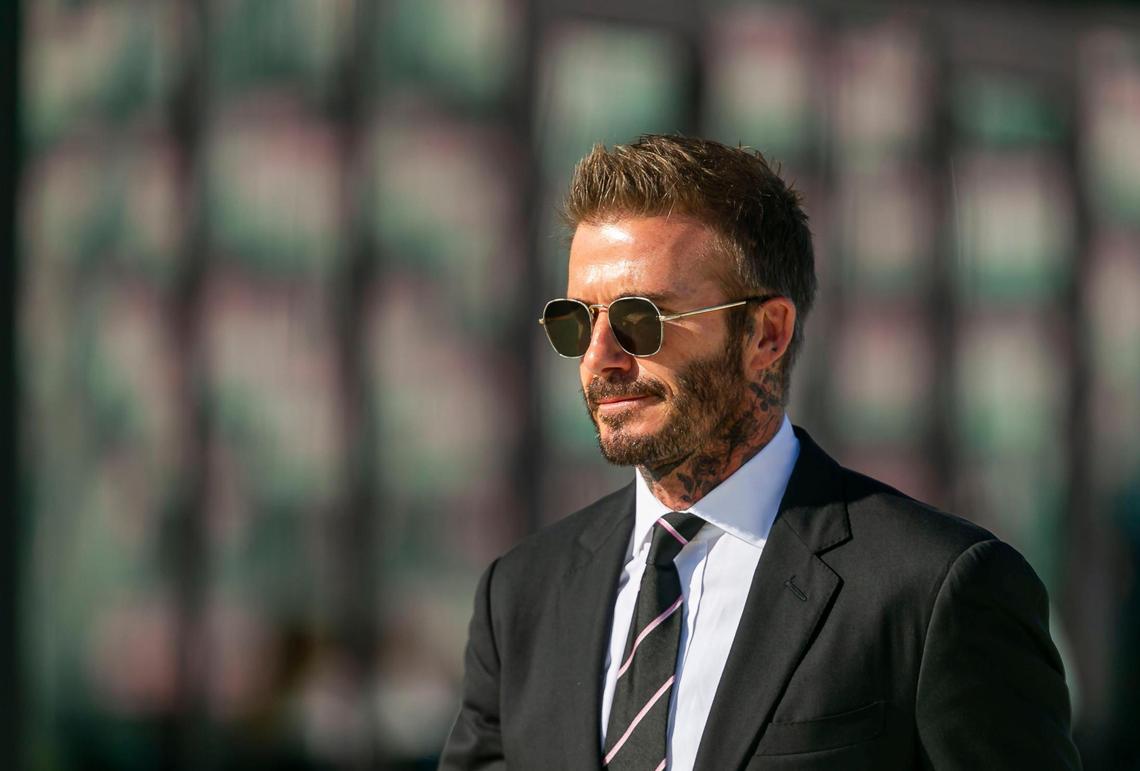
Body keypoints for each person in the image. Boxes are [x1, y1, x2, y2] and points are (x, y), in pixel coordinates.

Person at [438, 135, 1080, 770]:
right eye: (576, 322)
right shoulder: (520, 597)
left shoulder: (934, 590)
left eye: (641, 320)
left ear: (767, 332)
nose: (600, 359)